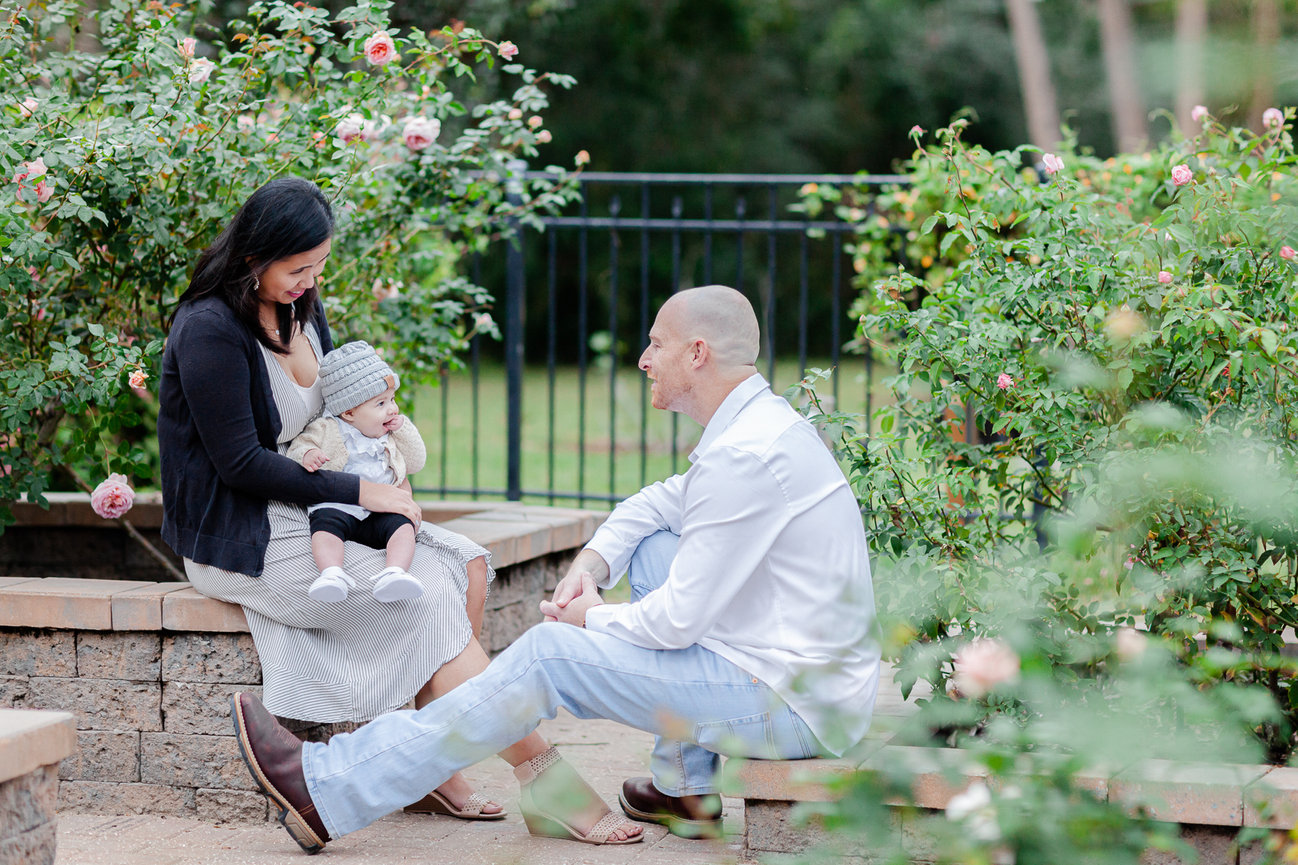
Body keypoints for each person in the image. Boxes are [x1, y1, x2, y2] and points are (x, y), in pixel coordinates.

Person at [229, 283, 880, 849]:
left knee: (548, 656)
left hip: (795, 703)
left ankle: (332, 786)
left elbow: (678, 622)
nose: (644, 359)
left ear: (698, 354)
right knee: (651, 547)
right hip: (798, 672)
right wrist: (592, 563)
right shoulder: (756, 430)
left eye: (656, 344)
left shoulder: (747, 457)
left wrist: (589, 616)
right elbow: (662, 501)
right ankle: (687, 788)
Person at [159, 176, 642, 846]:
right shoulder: (208, 329)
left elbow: (332, 413)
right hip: (244, 533)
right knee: (417, 603)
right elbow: (239, 464)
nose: (310, 281)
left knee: (465, 567)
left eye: (320, 266)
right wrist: (363, 494)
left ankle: (428, 762)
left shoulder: (300, 308)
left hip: (315, 510)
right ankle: (548, 780)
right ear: (252, 256)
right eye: (298, 268)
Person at [287, 340, 425, 604]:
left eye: (392, 399)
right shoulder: (327, 428)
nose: (392, 408)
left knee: (404, 527)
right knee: (324, 528)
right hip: (339, 505)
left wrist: (403, 428)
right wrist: (309, 455)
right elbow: (300, 446)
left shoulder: (389, 434)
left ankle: (395, 572)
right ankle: (331, 574)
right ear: (349, 412)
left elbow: (416, 461)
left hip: (381, 511)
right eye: (381, 403)